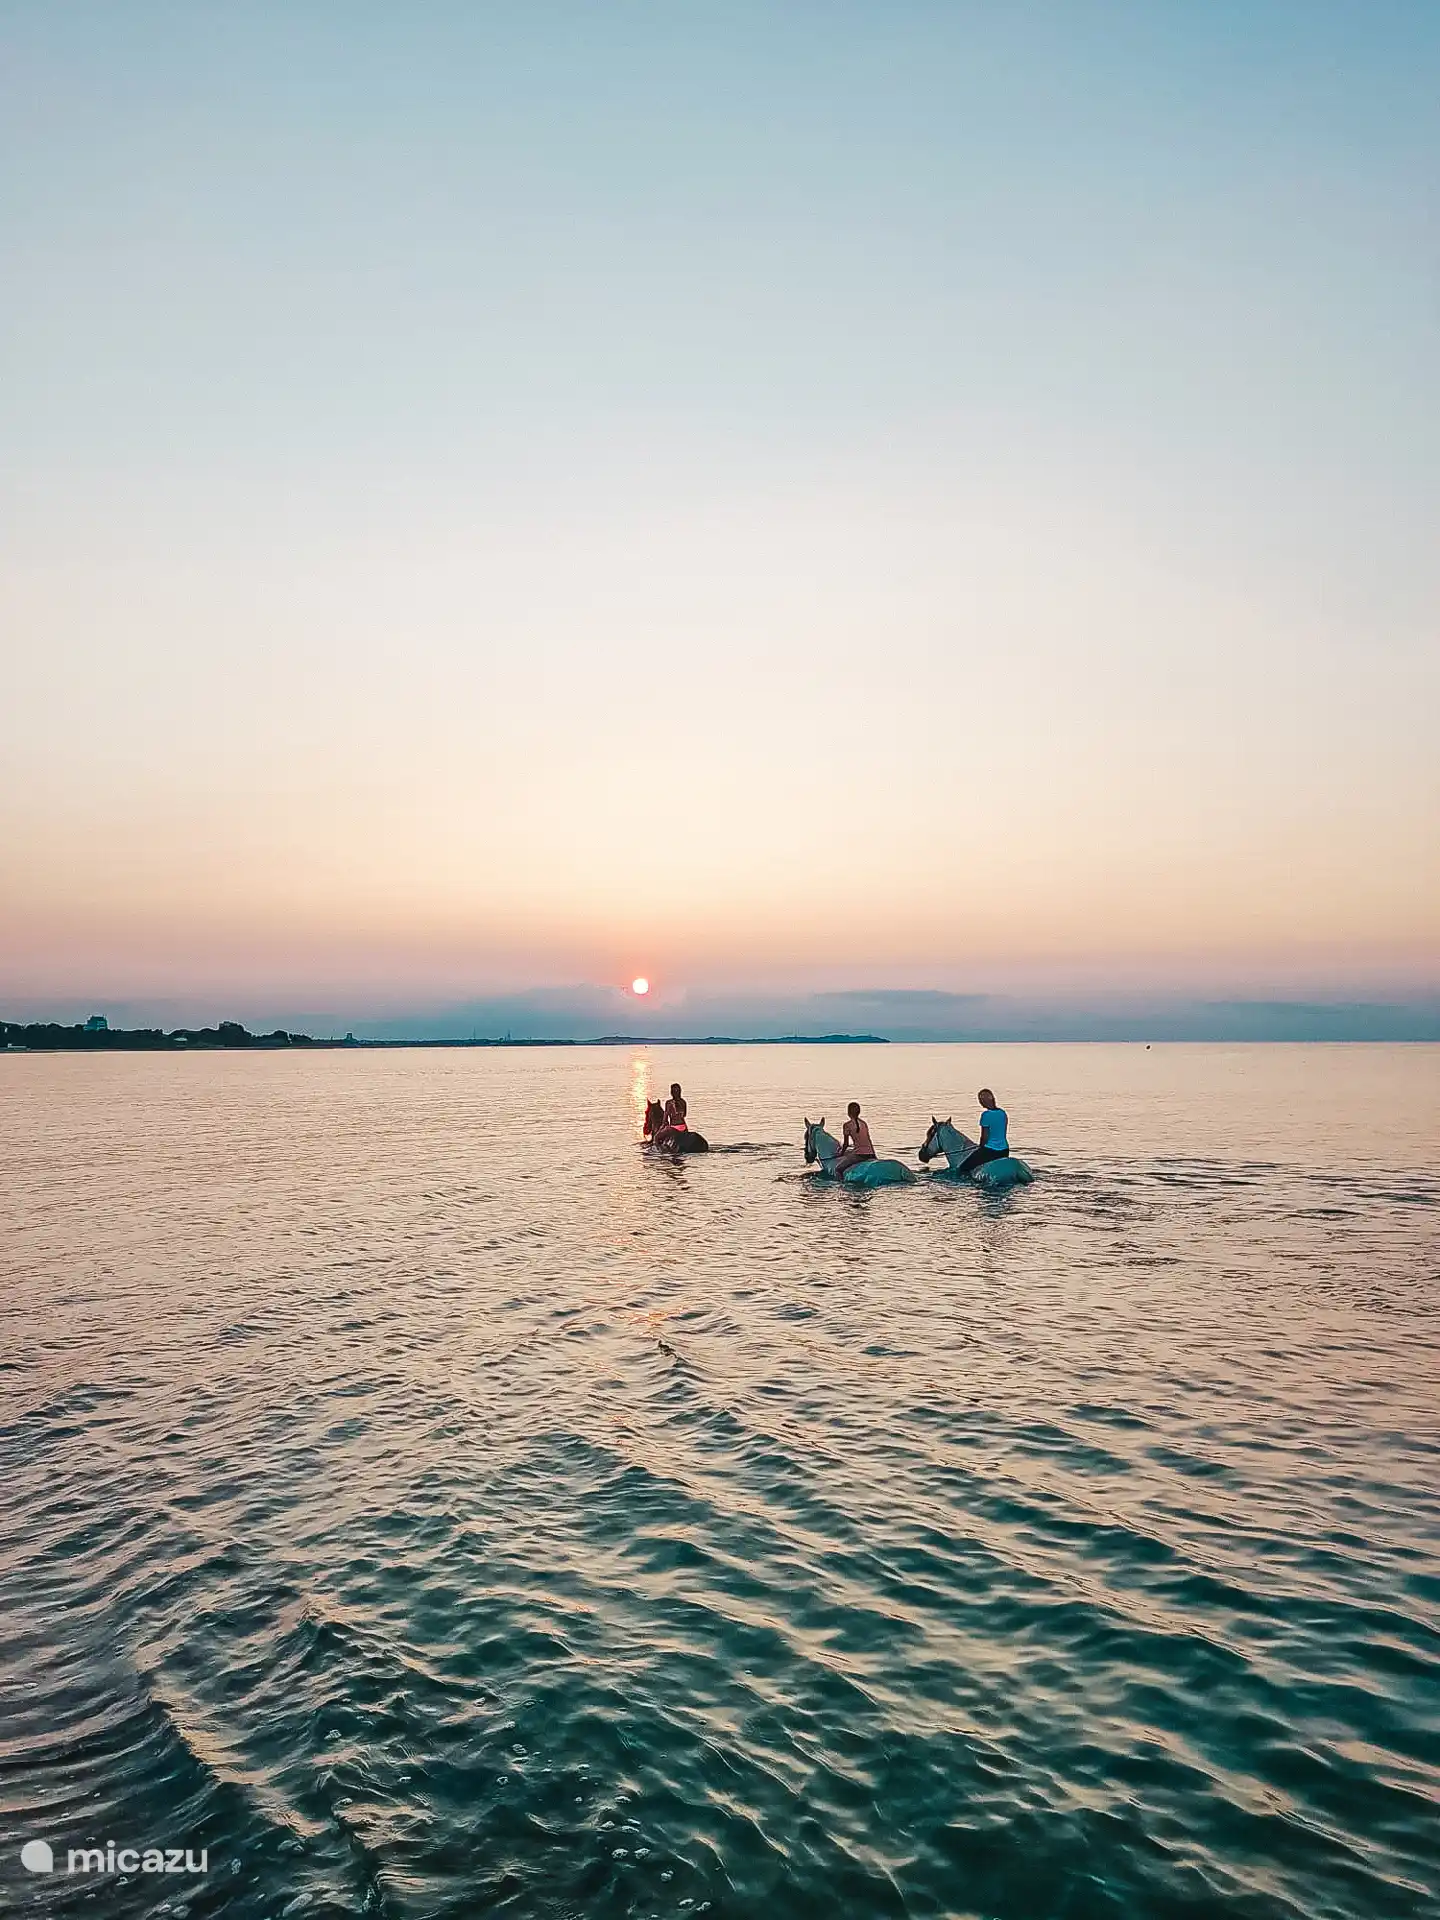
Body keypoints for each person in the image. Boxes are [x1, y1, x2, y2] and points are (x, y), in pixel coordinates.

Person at [955, 1088, 1009, 1176]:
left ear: (991, 1098)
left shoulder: (986, 1115)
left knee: (963, 1168)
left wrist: (980, 1148)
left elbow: (985, 1137)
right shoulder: (1002, 1113)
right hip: (1004, 1150)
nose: (981, 1102)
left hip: (991, 1150)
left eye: (983, 1099)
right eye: (980, 1099)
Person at [832, 1101, 876, 1179]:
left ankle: (841, 1185)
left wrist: (841, 1153)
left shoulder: (847, 1125)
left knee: (838, 1169)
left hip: (860, 1155)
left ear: (848, 1112)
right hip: (871, 1153)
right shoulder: (864, 1123)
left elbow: (846, 1144)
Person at [655, 1082, 688, 1154]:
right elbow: (684, 1115)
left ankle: (660, 1152)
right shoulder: (684, 1102)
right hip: (684, 1127)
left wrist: (662, 1127)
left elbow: (665, 1117)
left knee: (656, 1138)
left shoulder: (668, 1103)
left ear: (671, 1092)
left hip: (674, 1128)